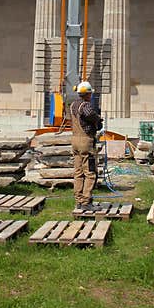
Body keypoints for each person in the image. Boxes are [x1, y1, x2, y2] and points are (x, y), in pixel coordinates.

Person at [70, 80, 103, 212]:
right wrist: (98, 120)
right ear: (88, 94)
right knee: (90, 172)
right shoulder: (85, 105)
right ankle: (86, 201)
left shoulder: (73, 105)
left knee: (78, 172)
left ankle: (78, 200)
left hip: (75, 141)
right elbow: (89, 114)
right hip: (85, 142)